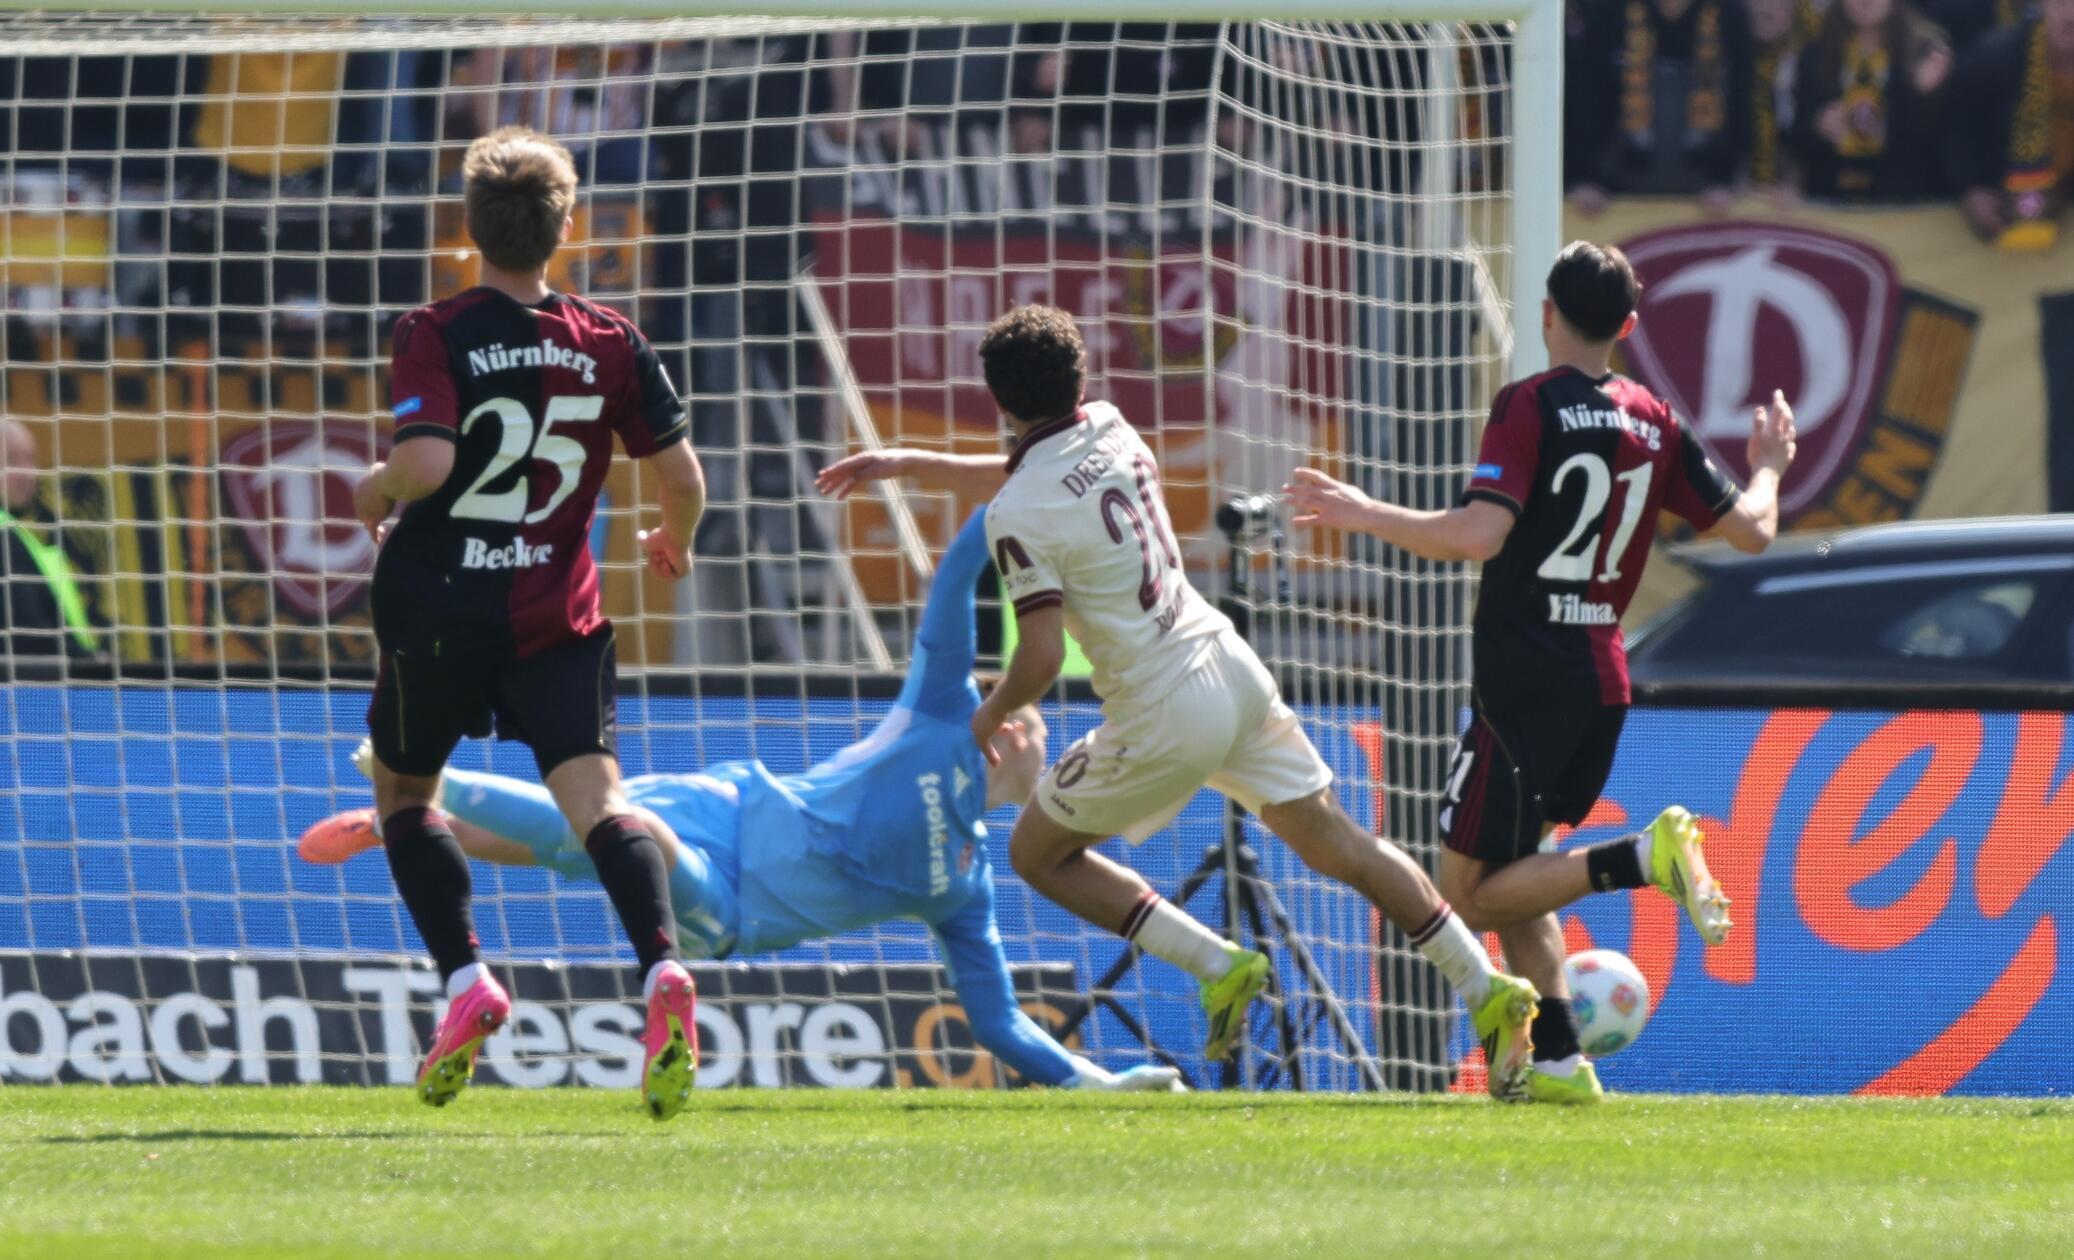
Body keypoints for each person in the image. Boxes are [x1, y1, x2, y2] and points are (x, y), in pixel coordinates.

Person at [817, 305, 1544, 1099]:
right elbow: (1026, 477)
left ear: (1000, 403)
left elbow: (1035, 657)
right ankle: (1488, 989)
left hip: (1163, 707)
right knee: (1345, 847)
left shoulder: (1023, 512)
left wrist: (984, 721)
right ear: (1080, 380)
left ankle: (1218, 965)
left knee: (1035, 854)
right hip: (1227, 664)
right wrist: (911, 462)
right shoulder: (1110, 424)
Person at [300, 511, 1182, 1094]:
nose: (1042, 735)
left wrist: (1103, 1086)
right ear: (1003, 724)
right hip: (715, 801)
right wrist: (1016, 498)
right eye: (1031, 718)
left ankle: (413, 777)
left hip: (723, 903)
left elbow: (997, 1021)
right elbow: (955, 579)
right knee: (578, 831)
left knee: (613, 826)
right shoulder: (941, 709)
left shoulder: (965, 885)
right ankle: (406, 819)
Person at [1281, 241, 1798, 1104]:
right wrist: (1772, 464)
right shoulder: (1655, 419)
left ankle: (1644, 856)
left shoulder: (1529, 403)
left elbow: (1481, 535)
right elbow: (1752, 530)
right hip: (1601, 679)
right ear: (1627, 326)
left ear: (1546, 313)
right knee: (1520, 874)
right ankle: (1557, 1057)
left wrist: (1362, 510)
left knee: (1469, 897)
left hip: (1524, 683)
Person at [350, 126, 709, 1119]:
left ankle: (468, 982)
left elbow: (423, 465)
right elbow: (682, 478)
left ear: (467, 227)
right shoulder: (612, 338)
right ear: (565, 224)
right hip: (556, 609)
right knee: (600, 802)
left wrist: (373, 490)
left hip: (437, 606)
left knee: (404, 794)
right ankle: (660, 971)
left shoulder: (436, 326)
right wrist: (673, 541)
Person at [1567, 0, 1755, 215]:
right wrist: (1581, 178)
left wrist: (1728, 181)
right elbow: (1581, 99)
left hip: (1707, 199)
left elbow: (1743, 102)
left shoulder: (1730, 13)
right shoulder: (1606, 9)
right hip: (1609, 198)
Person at [1789, 0, 1953, 201]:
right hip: (1831, 199)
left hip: (1899, 205)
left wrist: (1920, 97)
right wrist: (1818, 125)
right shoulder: (1816, 52)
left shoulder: (1925, 52)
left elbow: (1942, 145)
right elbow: (1796, 136)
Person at [1946, 0, 2074, 247]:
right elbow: (1956, 129)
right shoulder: (1993, 56)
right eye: (2060, 4)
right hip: (2000, 219)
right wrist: (1970, 189)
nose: (2070, 15)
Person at [0, 419, 101, 666]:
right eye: (12, 460)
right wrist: (88, 664)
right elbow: (29, 632)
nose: (28, 473)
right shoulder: (5, 536)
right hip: (39, 695)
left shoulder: (17, 534)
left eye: (31, 459)